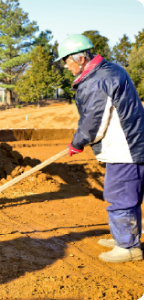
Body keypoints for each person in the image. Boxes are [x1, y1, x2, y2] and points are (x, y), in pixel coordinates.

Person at [57, 34, 144, 263]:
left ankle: (128, 248)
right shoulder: (109, 71)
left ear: (81, 58)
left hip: (125, 149)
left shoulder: (98, 80)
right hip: (130, 145)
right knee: (127, 196)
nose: (66, 66)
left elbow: (93, 123)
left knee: (121, 197)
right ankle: (123, 238)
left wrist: (77, 143)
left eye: (67, 60)